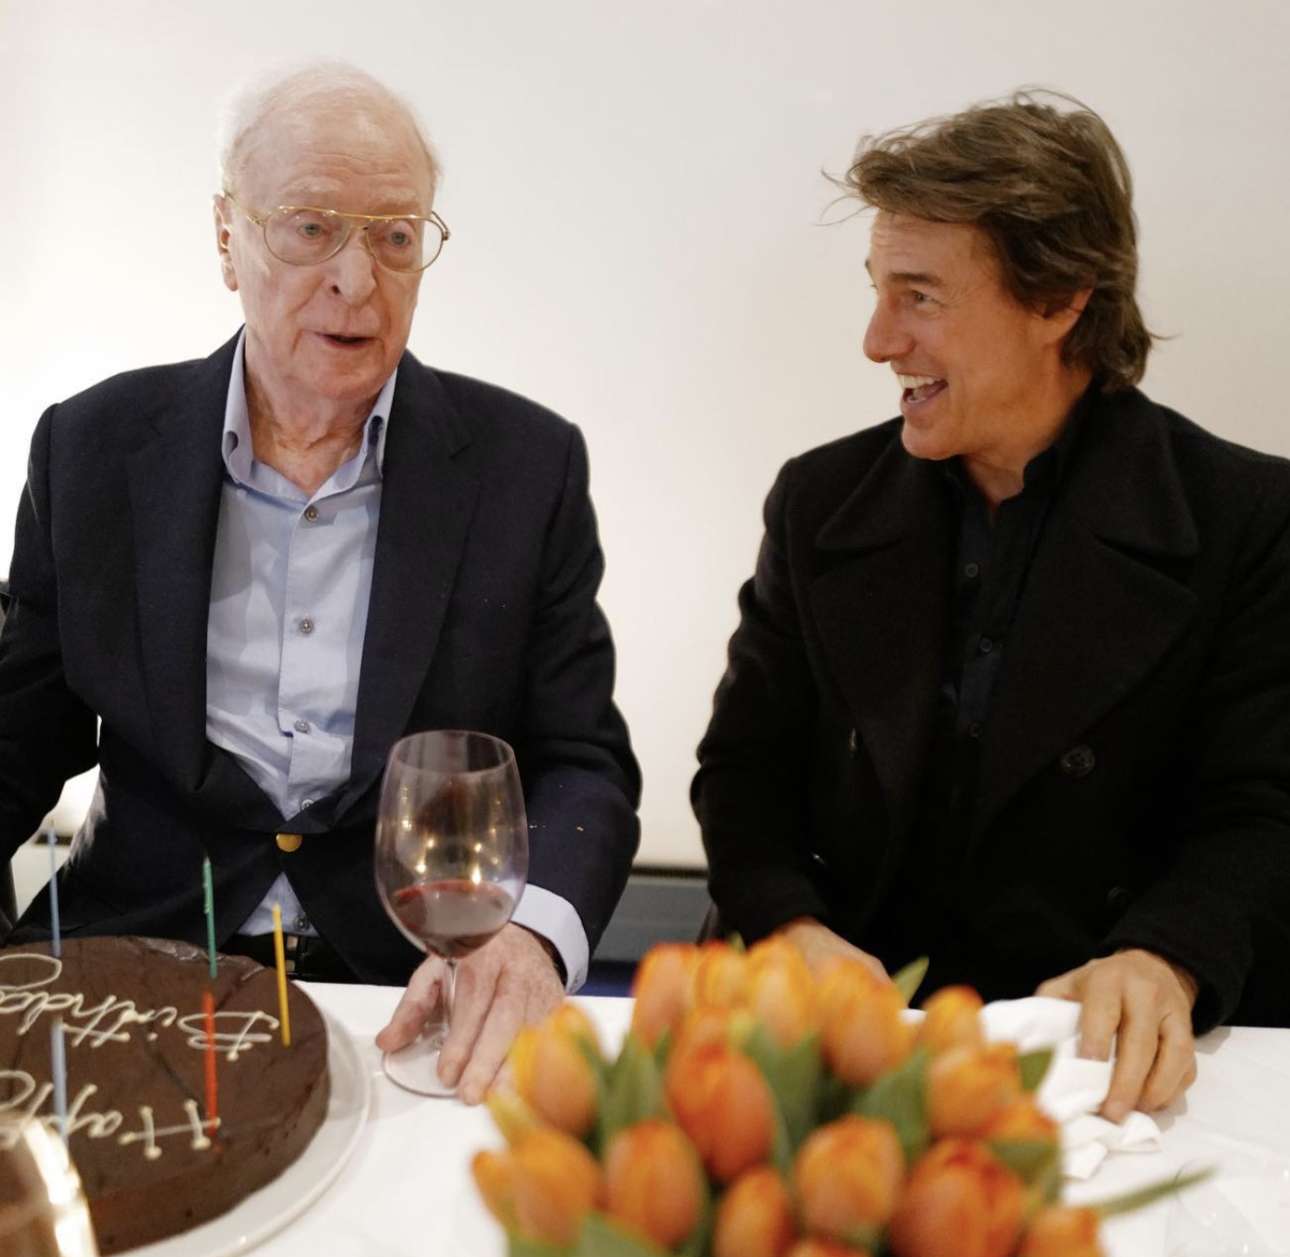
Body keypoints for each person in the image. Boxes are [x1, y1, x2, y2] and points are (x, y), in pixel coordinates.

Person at [0, 62, 640, 1103]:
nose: (357, 279)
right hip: (139, 950)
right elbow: (20, 735)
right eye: (310, 228)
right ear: (226, 237)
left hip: (417, 973)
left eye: (395, 236)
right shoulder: (91, 449)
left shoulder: (526, 467)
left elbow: (583, 761)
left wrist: (530, 937)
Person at [693, 90, 1290, 1122]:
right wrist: (792, 931)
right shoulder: (818, 501)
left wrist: (1164, 956)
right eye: (878, 292)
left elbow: (1262, 811)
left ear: (1059, 299)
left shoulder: (1248, 518)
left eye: (919, 297)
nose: (878, 340)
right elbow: (745, 773)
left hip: (1097, 1064)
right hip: (847, 1051)